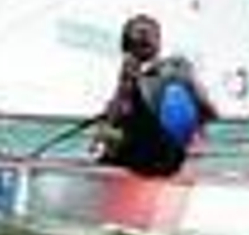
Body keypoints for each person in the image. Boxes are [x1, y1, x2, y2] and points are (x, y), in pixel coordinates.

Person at [91, 13, 218, 177]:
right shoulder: (182, 67)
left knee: (106, 134)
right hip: (174, 159)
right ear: (158, 44)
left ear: (126, 49)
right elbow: (210, 112)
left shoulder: (131, 79)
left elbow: (117, 119)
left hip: (143, 159)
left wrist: (101, 136)